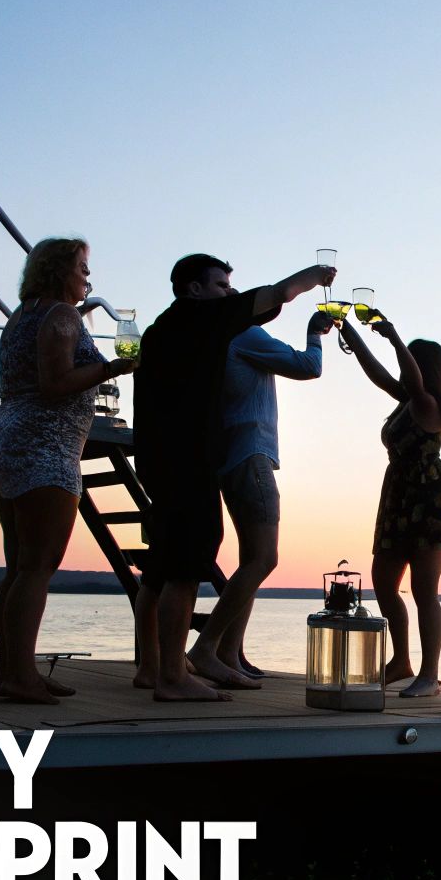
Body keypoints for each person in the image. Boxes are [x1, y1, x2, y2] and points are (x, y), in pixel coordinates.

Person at [131, 253, 332, 701]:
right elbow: (279, 303)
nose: (231, 292)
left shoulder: (159, 332)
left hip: (156, 458)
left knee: (159, 569)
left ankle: (154, 667)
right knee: (191, 566)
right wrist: (315, 277)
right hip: (201, 457)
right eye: (221, 285)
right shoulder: (218, 326)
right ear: (194, 289)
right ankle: (182, 669)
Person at [0, 237, 136, 704]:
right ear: (58, 271)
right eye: (82, 268)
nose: (88, 278)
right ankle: (19, 675)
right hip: (43, 449)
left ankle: (12, 671)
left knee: (19, 567)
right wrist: (112, 368)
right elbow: (54, 385)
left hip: (6, 439)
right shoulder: (63, 316)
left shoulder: (20, 317)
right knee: (38, 566)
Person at [183, 298, 334, 677]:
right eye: (225, 287)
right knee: (265, 558)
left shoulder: (208, 342)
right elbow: (308, 366)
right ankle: (206, 647)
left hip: (229, 458)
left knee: (250, 559)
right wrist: (315, 333)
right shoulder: (245, 334)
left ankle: (229, 654)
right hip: (252, 456)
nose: (235, 294)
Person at [335, 315, 441, 697]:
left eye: (409, 360)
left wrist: (394, 338)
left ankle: (429, 674)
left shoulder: (430, 404)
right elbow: (377, 374)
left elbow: (409, 377)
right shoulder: (406, 401)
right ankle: (401, 661)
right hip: (398, 498)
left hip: (429, 499)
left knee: (425, 592)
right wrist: (350, 333)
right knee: (384, 584)